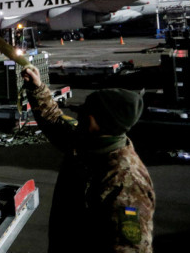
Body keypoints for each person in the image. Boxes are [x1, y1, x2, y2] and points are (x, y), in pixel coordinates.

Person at [21, 65, 155, 252]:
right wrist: (37, 87)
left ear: (92, 121)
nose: (78, 115)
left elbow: (130, 248)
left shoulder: (126, 182)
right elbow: (54, 121)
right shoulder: (89, 141)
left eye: (83, 112)